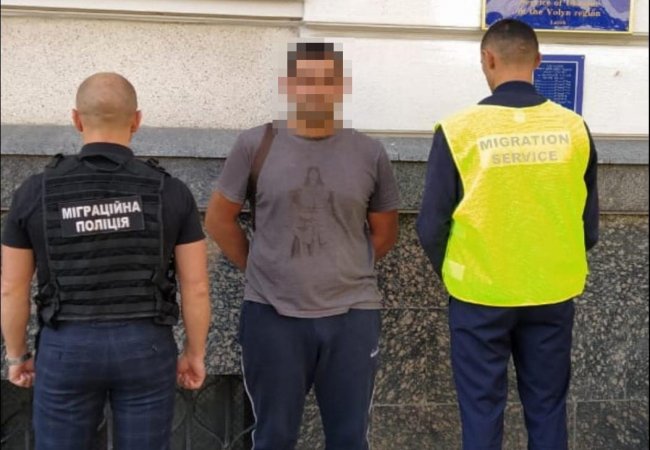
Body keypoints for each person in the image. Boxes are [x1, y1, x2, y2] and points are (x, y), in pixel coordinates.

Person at [205, 41, 400, 450]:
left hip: (351, 316)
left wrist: (344, 266)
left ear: (341, 86)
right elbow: (219, 221)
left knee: (349, 438)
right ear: (289, 86)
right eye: (306, 80)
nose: (316, 90)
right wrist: (261, 266)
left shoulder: (369, 152)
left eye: (326, 81)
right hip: (272, 314)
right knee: (273, 437)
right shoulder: (254, 145)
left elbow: (385, 232)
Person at [1, 72, 211, 450]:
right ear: (137, 121)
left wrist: (17, 356)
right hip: (145, 347)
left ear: (76, 119)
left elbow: (11, 288)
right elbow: (195, 286)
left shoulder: (35, 192)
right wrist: (194, 353)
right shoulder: (171, 191)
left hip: (66, 347)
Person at [416, 19, 599, 450]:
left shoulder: (459, 130)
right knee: (548, 408)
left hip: (479, 295)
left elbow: (430, 225)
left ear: (488, 59)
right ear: (538, 61)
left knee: (481, 411)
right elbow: (587, 224)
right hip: (552, 292)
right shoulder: (574, 129)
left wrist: (458, 272)